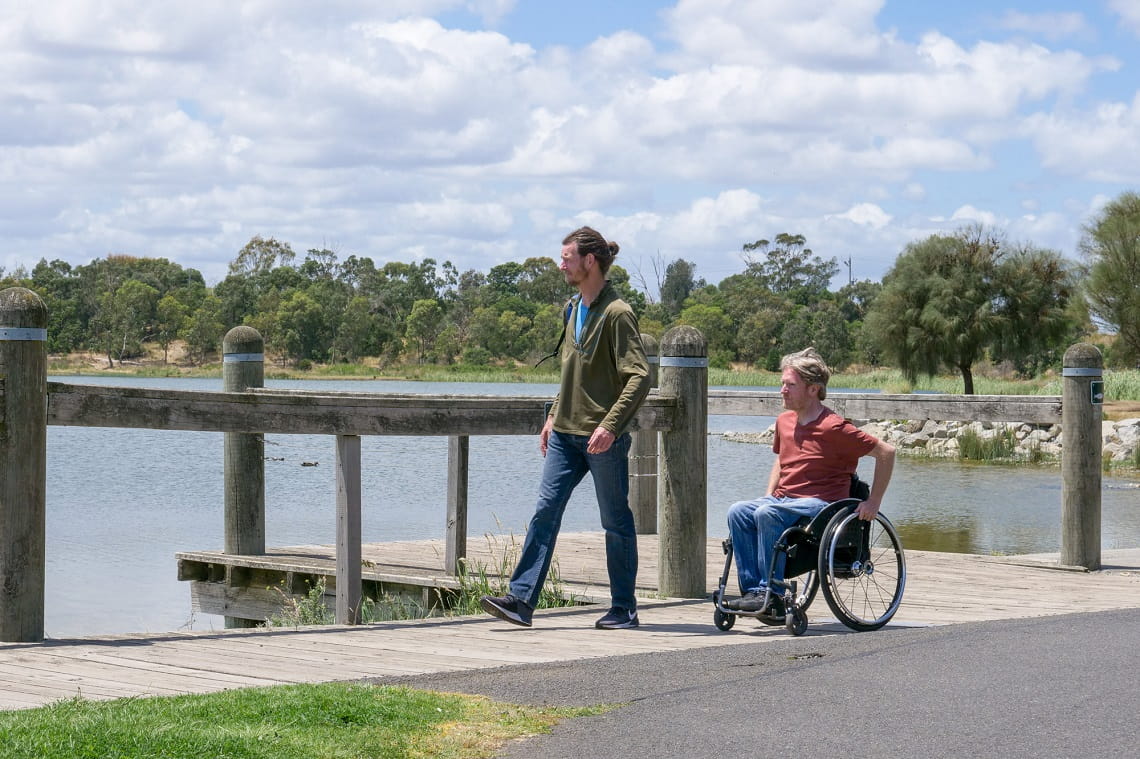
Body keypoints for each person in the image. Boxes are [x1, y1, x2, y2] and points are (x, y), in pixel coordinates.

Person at [481, 227, 650, 629]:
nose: (561, 265)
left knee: (615, 522)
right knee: (545, 512)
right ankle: (521, 601)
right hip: (563, 435)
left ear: (589, 261)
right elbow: (572, 374)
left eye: (567, 258)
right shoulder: (572, 308)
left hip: (602, 439)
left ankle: (624, 609)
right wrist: (553, 415)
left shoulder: (617, 313)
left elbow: (640, 376)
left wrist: (611, 426)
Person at [724, 347, 895, 616]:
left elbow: (886, 453)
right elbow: (782, 460)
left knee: (767, 513)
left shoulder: (833, 426)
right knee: (738, 511)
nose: (782, 390)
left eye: (790, 385)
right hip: (785, 500)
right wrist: (768, 494)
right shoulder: (784, 421)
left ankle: (772, 593)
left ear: (813, 389)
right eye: (782, 384)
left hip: (822, 504)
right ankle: (754, 592)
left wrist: (874, 501)